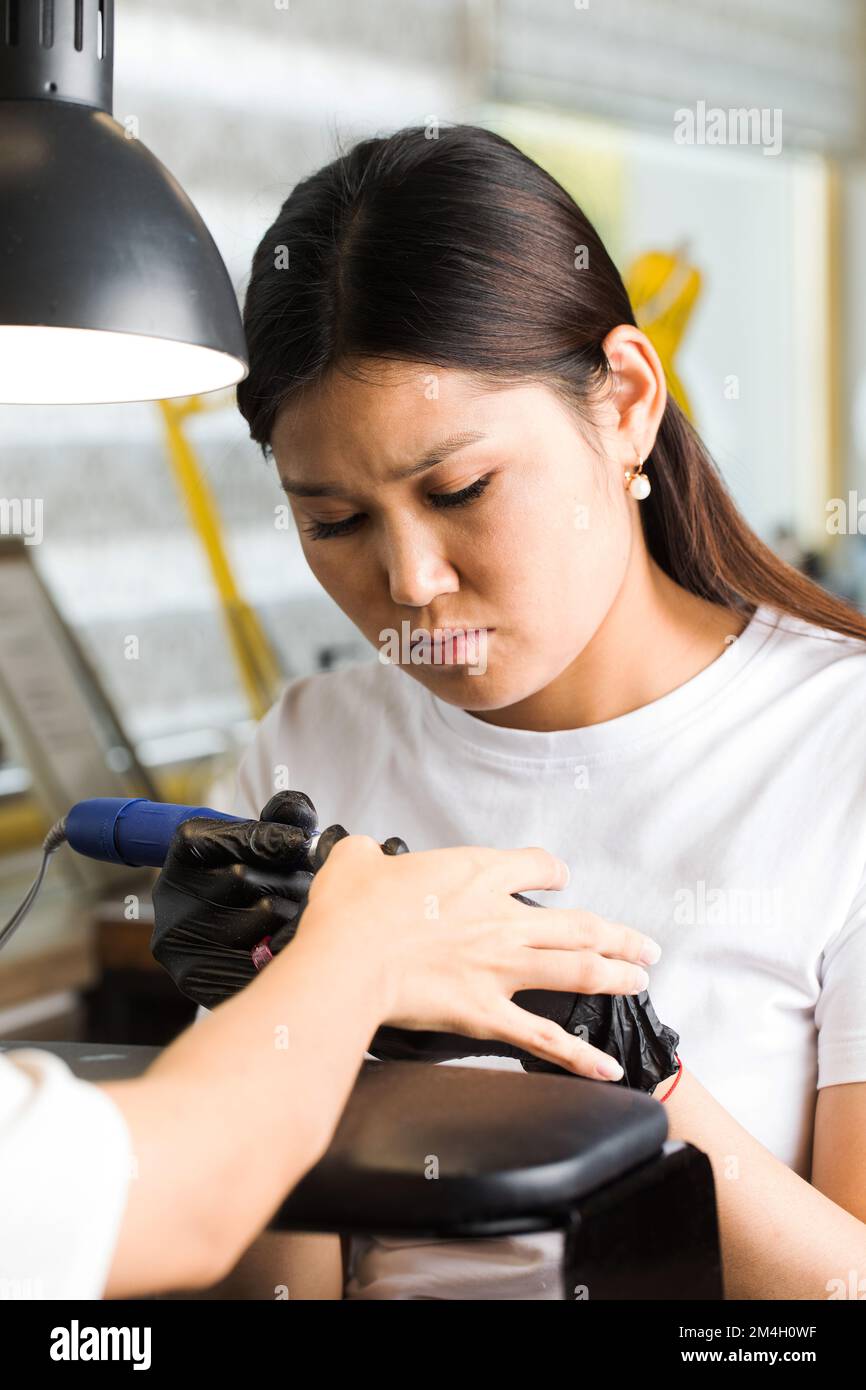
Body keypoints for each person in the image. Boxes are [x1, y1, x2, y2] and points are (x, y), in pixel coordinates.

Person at [188, 122, 866, 1300]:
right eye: (333, 520)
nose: (406, 581)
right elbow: (272, 1288)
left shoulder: (834, 746)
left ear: (623, 404)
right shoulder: (303, 751)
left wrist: (620, 1067)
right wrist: (291, 1016)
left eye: (459, 490)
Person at [0, 828, 658, 1300]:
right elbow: (187, 1197)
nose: (424, 628)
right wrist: (339, 967)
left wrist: (319, 981)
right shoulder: (306, 729)